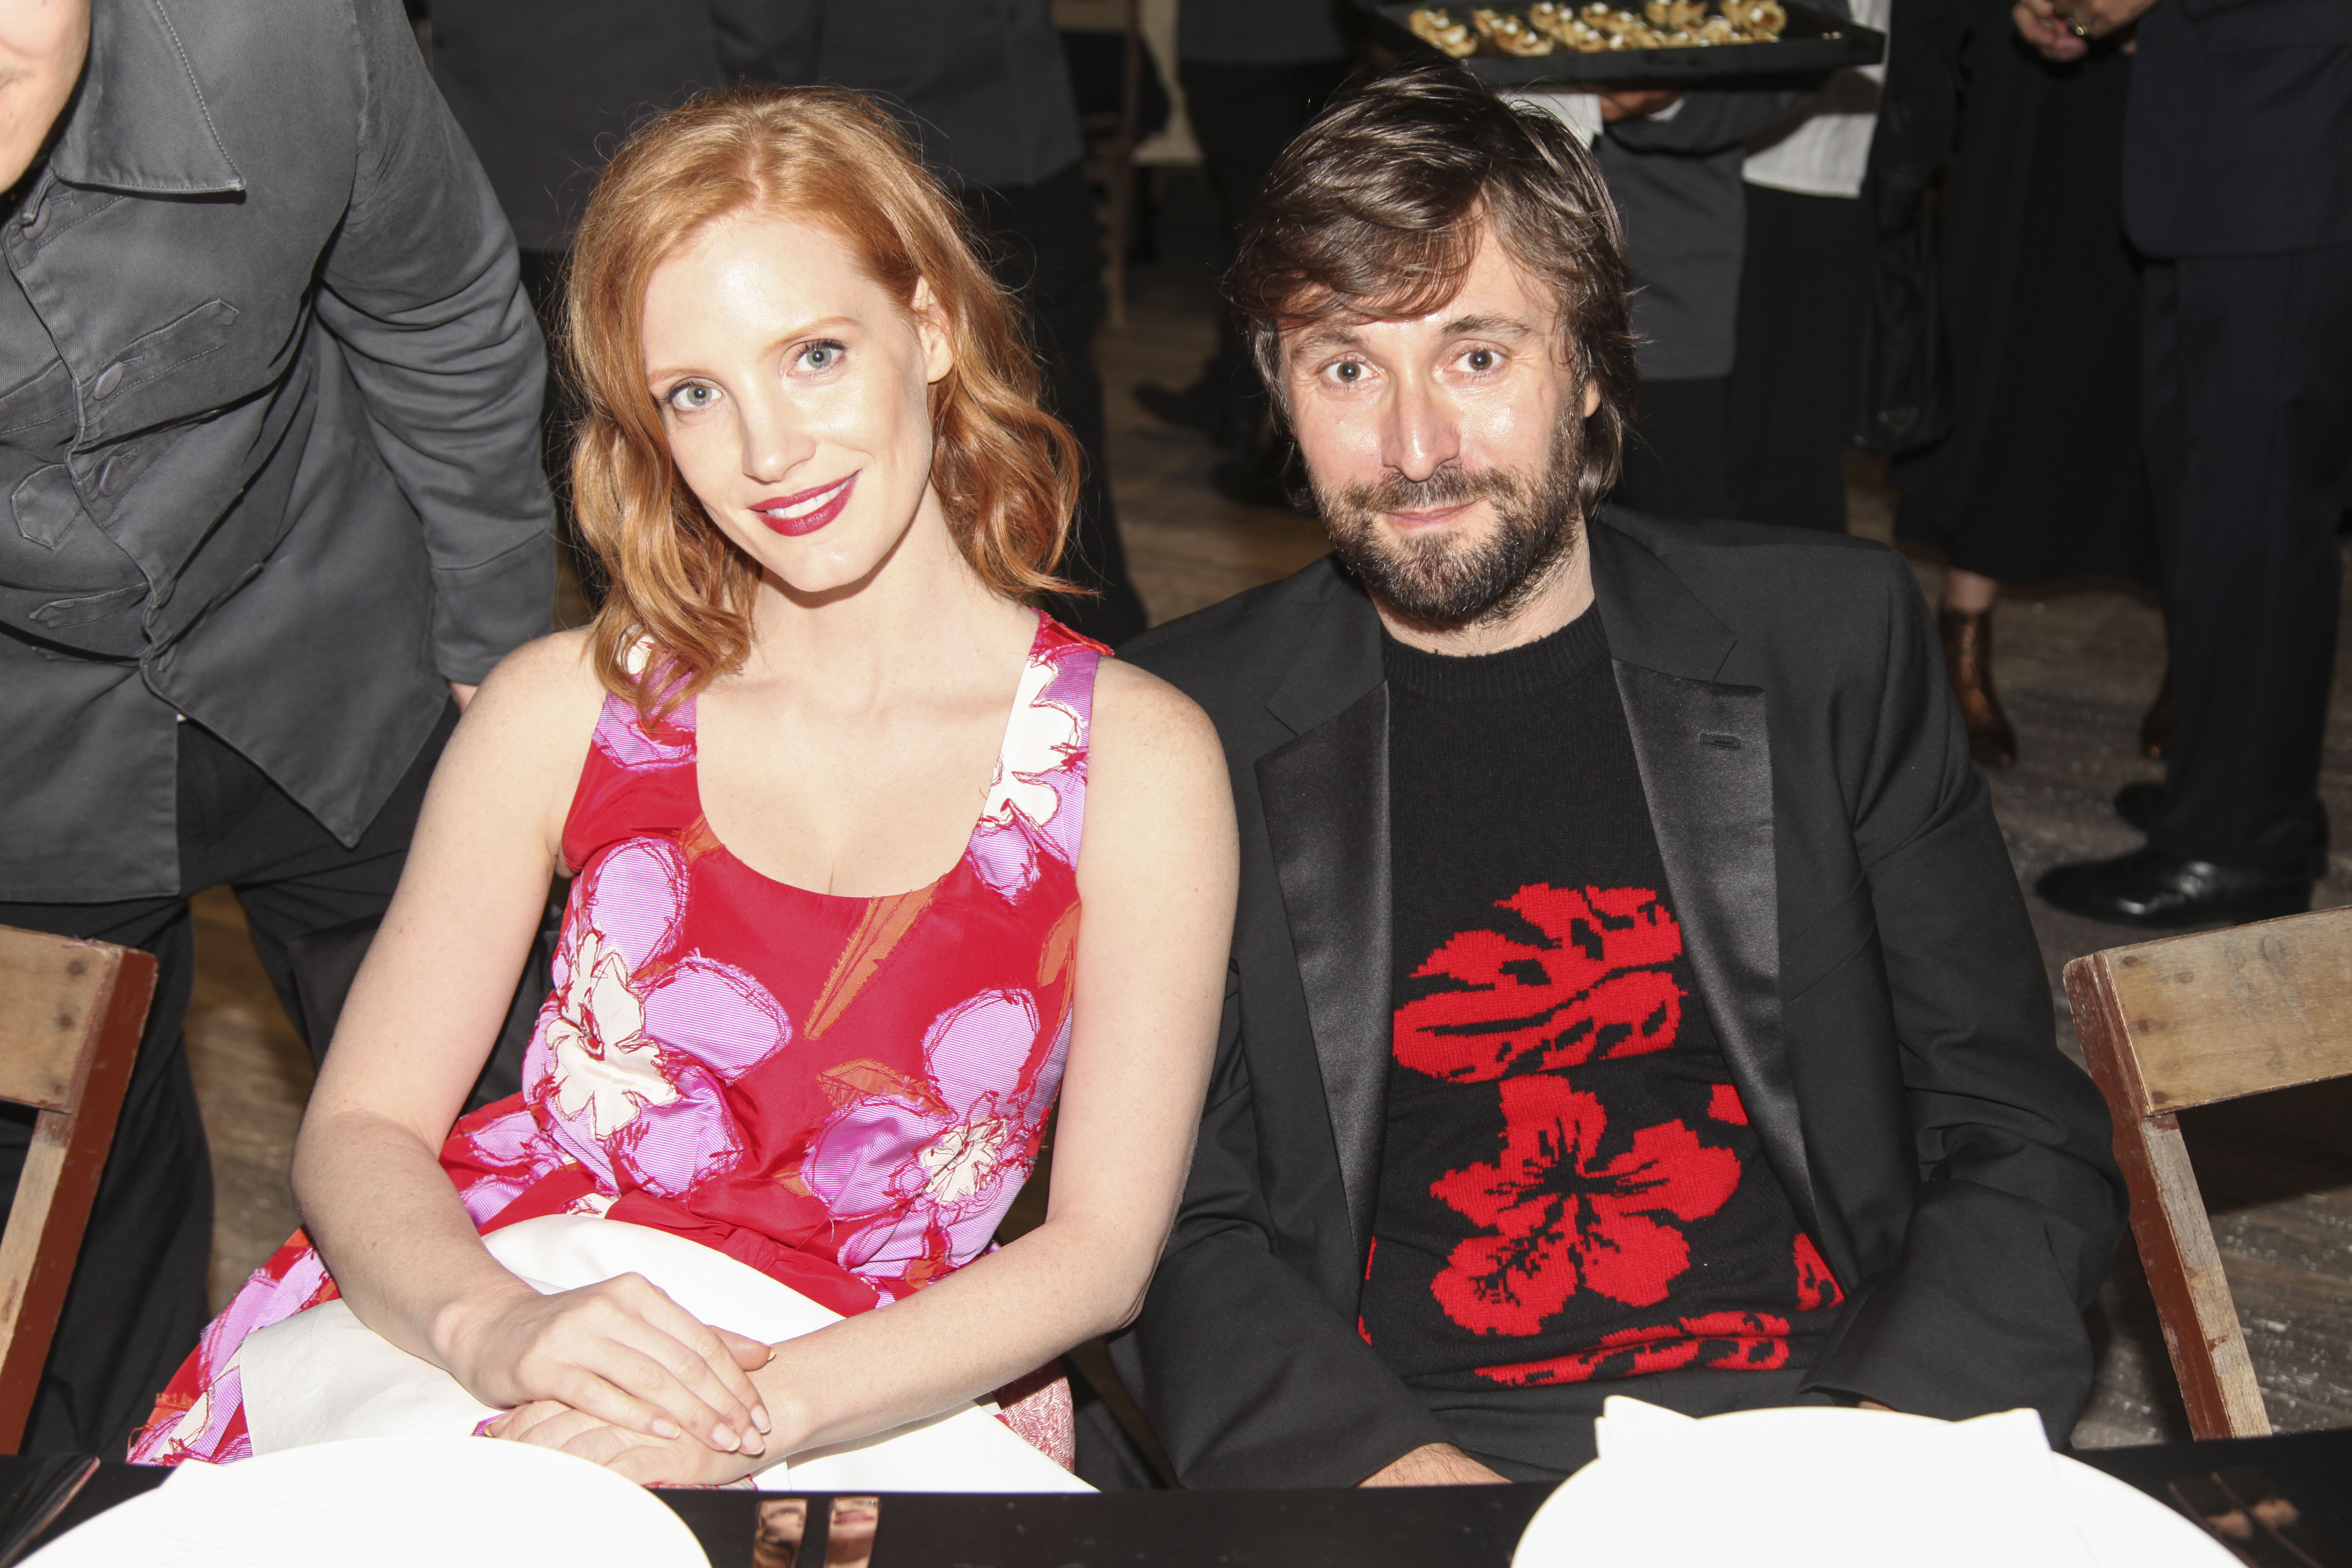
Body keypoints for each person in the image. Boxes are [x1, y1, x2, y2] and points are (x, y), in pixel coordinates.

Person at [128, 87, 1236, 1484]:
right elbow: (360, 1128)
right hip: (509, 1308)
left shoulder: (1136, 761)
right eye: (694, 395)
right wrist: (493, 1327)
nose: (768, 453)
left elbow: (1100, 1250)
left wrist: (745, 1420)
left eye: (815, 356)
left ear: (932, 328)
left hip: (870, 1381)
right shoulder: (564, 709)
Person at [1112, 63, 2123, 1488]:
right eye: (1346, 367)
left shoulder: (1824, 644)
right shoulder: (1181, 724)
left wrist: (1893, 1454)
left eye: (1475, 356)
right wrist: (1398, 1489)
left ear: (1587, 367)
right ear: (1280, 390)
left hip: (1819, 1417)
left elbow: (2013, 1123)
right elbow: (1169, 1220)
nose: (1413, 448)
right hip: (1412, 1442)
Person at [0, 0, 554, 1457]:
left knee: (496, 1133)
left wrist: (496, 661)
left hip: (332, 636)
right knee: (61, 1235)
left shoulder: (290, 28)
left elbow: (439, 311)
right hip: (21, 755)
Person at [2026, 0, 2352, 926]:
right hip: (2230, 124)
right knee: (2211, 503)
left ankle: (2237, 845)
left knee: (2256, 513)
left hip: (2293, 132)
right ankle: (2246, 791)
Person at [719, 2, 1150, 644]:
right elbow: (766, 32)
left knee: (1054, 415)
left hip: (1024, 138)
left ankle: (1089, 638)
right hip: (889, 149)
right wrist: (776, 156)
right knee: (896, 442)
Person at [1888, 2, 2156, 769]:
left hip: (2175, 59)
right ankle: (1963, 628)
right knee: (2005, 331)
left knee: (2170, 350)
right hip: (2024, 60)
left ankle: (2202, 647)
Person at [1131, 0, 1354, 505]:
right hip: (1317, 35)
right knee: (1277, 228)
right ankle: (1235, 397)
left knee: (1265, 235)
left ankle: (1269, 435)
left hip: (1241, 45)